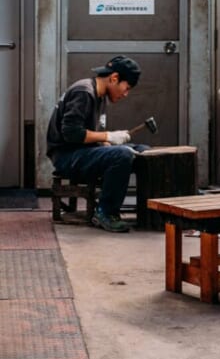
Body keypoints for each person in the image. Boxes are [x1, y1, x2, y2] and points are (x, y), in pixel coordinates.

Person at [46, 55, 147, 233]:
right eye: (127, 88)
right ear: (114, 78)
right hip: (66, 157)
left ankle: (150, 209)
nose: (126, 94)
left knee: (142, 151)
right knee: (122, 154)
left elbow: (88, 134)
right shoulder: (84, 92)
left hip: (82, 151)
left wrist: (105, 141)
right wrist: (108, 136)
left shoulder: (99, 96)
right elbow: (71, 133)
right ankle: (105, 213)